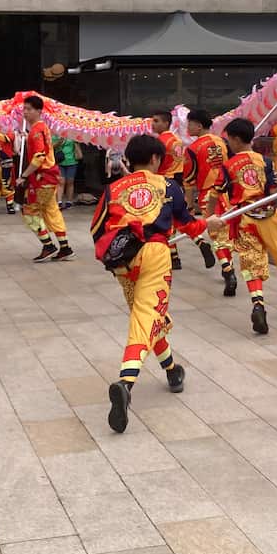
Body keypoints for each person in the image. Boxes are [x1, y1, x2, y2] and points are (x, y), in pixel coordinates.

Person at [91, 134, 214, 433]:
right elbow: (186, 222)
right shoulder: (168, 186)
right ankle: (126, 382)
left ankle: (172, 370)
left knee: (147, 315)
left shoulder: (113, 188)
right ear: (157, 159)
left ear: (129, 160)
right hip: (156, 254)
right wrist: (210, 223)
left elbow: (96, 229)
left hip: (123, 261)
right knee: (147, 317)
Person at [214, 117, 277, 336]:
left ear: (235, 139)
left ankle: (258, 304)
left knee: (250, 262)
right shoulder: (266, 162)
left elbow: (217, 193)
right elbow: (273, 191)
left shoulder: (227, 166)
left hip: (244, 218)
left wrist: (209, 217)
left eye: (229, 140)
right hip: (270, 216)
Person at [150, 110, 214, 273]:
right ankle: (193, 245)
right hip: (177, 183)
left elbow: (155, 165)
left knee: (167, 220)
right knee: (179, 218)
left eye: (156, 121)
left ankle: (174, 256)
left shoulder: (160, 142)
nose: (153, 124)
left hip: (162, 183)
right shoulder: (177, 141)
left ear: (166, 123)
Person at [185, 109, 238, 298]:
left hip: (209, 195)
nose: (187, 126)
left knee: (216, 234)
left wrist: (189, 205)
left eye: (190, 123)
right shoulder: (223, 142)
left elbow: (189, 181)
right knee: (226, 233)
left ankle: (228, 269)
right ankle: (228, 268)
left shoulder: (192, 149)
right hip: (228, 193)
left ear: (199, 125)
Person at [18, 95, 72, 262]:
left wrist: (24, 175)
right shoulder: (42, 128)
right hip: (49, 177)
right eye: (24, 109)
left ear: (39, 111)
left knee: (29, 211)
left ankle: (48, 245)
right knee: (51, 211)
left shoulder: (36, 131)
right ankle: (65, 247)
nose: (25, 113)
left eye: (29, 109)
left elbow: (39, 156)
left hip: (42, 179)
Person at [54, 133, 79, 209]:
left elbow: (76, 147)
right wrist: (60, 141)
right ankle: (59, 201)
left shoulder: (72, 136)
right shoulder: (55, 135)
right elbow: (52, 146)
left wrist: (76, 141)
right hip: (60, 161)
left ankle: (69, 201)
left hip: (72, 161)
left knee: (70, 182)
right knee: (61, 182)